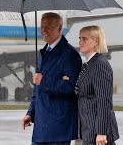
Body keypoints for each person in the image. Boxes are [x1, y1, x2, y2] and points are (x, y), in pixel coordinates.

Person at [22, 12, 82, 145]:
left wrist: (44, 81)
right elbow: (37, 90)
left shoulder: (70, 55)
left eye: (48, 27)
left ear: (60, 28)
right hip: (41, 125)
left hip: (58, 127)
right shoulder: (43, 53)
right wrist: (30, 113)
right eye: (42, 26)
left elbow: (72, 87)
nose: (44, 31)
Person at [76, 25, 119, 145]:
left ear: (96, 41)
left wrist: (101, 132)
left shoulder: (99, 64)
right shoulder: (88, 64)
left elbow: (104, 101)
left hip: (97, 132)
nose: (80, 42)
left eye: (85, 39)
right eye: (79, 38)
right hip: (89, 129)